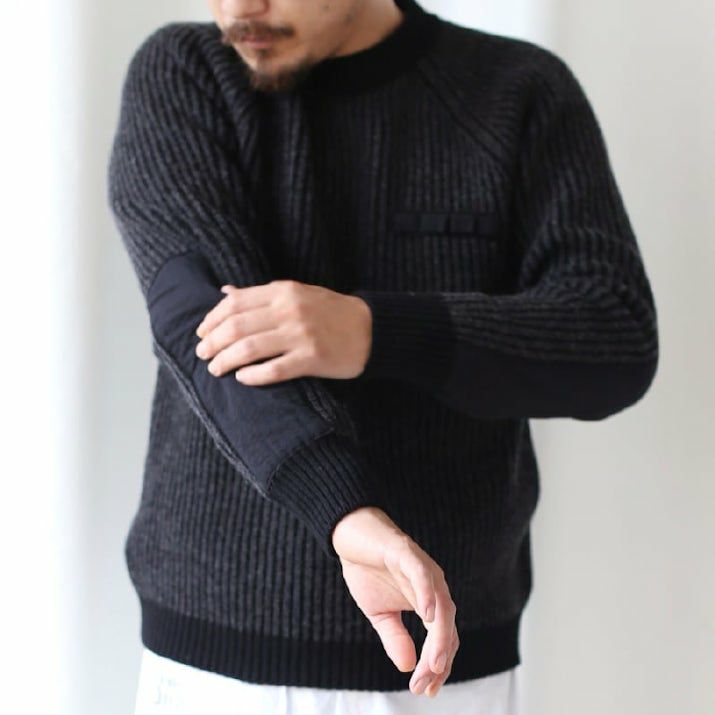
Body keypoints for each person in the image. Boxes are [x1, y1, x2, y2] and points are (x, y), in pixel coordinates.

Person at [107, 0, 659, 712]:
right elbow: (207, 329)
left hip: (442, 658)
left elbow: (614, 339)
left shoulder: (517, 92)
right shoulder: (186, 73)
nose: (239, 7)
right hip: (214, 661)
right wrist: (345, 513)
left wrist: (373, 331)